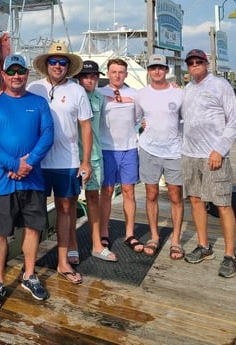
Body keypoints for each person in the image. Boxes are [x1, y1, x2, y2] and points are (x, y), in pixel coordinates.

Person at [0, 54, 54, 310]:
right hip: (2, 182)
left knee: (33, 228)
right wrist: (14, 165)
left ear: (26, 74)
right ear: (3, 75)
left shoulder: (39, 103)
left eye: (20, 71)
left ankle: (29, 275)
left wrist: (28, 163)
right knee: (0, 232)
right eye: (11, 72)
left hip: (32, 179)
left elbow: (47, 135)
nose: (16, 76)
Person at [28, 42, 93, 284]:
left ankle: (63, 262)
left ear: (68, 66)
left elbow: (86, 126)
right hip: (38, 162)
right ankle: (29, 265)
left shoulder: (77, 91)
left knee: (66, 210)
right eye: (53, 62)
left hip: (68, 162)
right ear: (46, 65)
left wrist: (86, 161)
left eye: (62, 62)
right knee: (34, 213)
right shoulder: (33, 88)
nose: (57, 66)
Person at [181, 49, 236, 278]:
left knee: (223, 204)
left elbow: (233, 121)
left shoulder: (220, 85)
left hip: (214, 155)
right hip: (189, 155)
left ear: (206, 63)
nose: (194, 65)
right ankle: (204, 246)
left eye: (199, 61)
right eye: (191, 62)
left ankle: (229, 255)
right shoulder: (186, 89)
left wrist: (220, 149)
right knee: (195, 200)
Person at [134, 54, 185, 259]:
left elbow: (187, 119)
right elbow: (136, 119)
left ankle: (176, 240)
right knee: (151, 194)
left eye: (161, 67)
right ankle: (154, 236)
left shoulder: (179, 93)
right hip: (149, 150)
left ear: (167, 70)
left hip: (174, 151)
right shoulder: (141, 94)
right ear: (148, 70)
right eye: (153, 67)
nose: (157, 71)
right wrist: (140, 126)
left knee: (175, 195)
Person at [97, 58, 142, 253]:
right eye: (114, 71)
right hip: (106, 149)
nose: (117, 75)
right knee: (106, 192)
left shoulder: (135, 94)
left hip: (129, 149)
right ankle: (104, 232)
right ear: (108, 73)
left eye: (121, 72)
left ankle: (130, 233)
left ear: (126, 74)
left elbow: (140, 117)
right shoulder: (99, 93)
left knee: (128, 191)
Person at [75, 60, 117, 262]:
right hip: (72, 158)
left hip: (94, 158)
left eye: (93, 76)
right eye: (85, 76)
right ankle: (71, 246)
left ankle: (97, 244)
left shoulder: (100, 98)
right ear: (78, 78)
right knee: (67, 203)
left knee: (93, 198)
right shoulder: (72, 95)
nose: (89, 80)